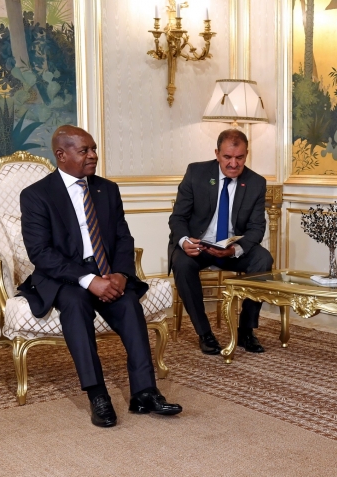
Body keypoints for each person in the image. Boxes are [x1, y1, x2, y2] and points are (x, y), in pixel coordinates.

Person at [18, 125, 182, 428]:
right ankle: (98, 395)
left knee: (128, 303)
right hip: (63, 277)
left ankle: (144, 392)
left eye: (93, 148)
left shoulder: (107, 189)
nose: (93, 155)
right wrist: (88, 280)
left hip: (106, 269)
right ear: (61, 155)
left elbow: (123, 238)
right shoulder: (36, 195)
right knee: (75, 304)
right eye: (85, 150)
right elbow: (40, 253)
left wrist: (120, 274)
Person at [168, 129, 273, 355]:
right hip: (199, 246)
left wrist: (236, 249)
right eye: (227, 157)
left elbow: (257, 227)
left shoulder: (256, 182)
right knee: (182, 263)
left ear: (247, 154)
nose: (234, 164)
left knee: (263, 259)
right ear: (217, 154)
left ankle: (246, 331)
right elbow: (178, 218)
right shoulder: (196, 173)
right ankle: (204, 333)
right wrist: (184, 241)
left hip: (232, 249)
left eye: (240, 157)